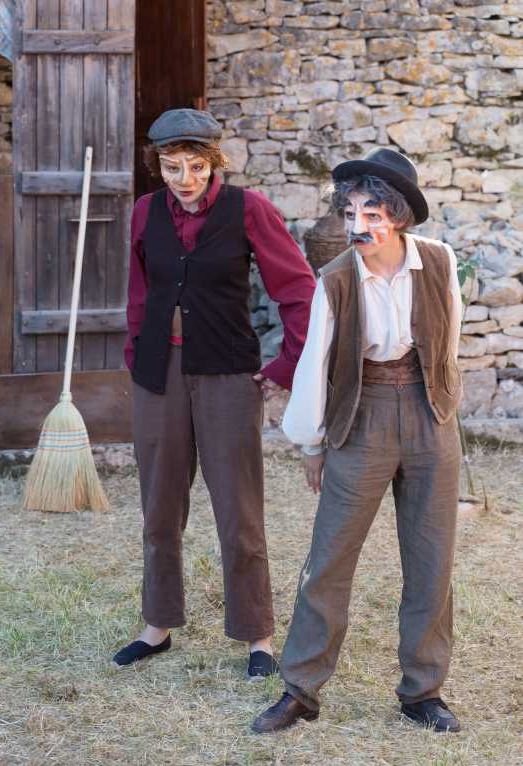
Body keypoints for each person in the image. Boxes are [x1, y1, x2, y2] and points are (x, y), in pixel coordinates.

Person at [252, 147, 463, 732]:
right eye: (350, 214)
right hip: (361, 415)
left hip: (428, 414)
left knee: (431, 559)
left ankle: (423, 692)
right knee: (329, 558)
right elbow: (315, 363)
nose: (358, 226)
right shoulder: (337, 279)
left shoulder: (439, 261)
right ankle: (300, 687)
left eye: (372, 214)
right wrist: (313, 444)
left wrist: (441, 404)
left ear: (398, 216)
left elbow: (448, 339)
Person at [112, 108, 316, 680]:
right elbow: (138, 293)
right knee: (158, 505)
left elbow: (298, 291)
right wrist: (137, 354)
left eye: (196, 166)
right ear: (158, 165)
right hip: (159, 373)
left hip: (227, 373)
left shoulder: (249, 209)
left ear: (214, 162)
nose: (185, 179)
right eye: (172, 167)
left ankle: (257, 635)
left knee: (238, 508)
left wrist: (286, 364)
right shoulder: (145, 212)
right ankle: (157, 626)